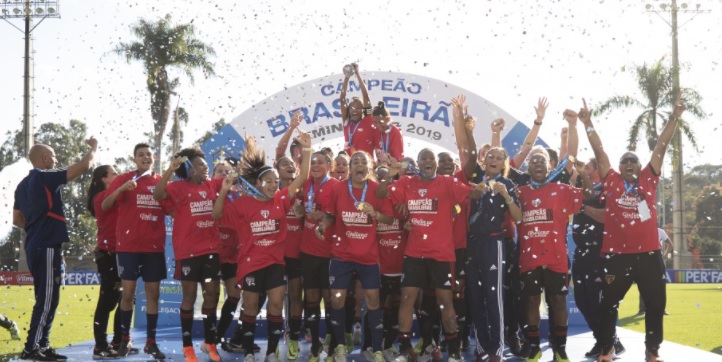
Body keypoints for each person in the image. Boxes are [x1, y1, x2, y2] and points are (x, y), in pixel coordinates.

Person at [579, 96, 686, 362]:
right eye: (624, 161)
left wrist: (674, 116)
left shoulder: (650, 178)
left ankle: (652, 350)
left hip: (649, 255)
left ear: (640, 167)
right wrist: (588, 123)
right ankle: (607, 348)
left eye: (633, 161)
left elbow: (661, 144)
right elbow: (600, 150)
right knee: (607, 305)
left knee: (655, 305)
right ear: (619, 167)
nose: (628, 164)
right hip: (617, 256)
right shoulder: (611, 180)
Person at [376, 148, 488, 362]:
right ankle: (404, 349)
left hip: (441, 254)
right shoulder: (406, 182)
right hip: (414, 253)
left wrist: (481, 187)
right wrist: (391, 174)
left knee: (445, 301)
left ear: (435, 163)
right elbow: (381, 194)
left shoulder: (448, 183)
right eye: (423, 158)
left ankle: (454, 351)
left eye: (431, 158)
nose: (427, 161)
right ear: (417, 164)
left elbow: (472, 193)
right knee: (407, 299)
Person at [213, 131, 312, 362]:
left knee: (276, 304)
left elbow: (302, 178)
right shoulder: (242, 204)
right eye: (268, 181)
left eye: (276, 182)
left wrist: (307, 150)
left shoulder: (281, 199)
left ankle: (270, 353)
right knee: (250, 306)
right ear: (257, 183)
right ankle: (248, 351)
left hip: (275, 263)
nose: (272, 185)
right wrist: (225, 189)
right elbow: (217, 214)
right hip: (250, 264)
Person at [14, 137, 97, 361]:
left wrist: (35, 226)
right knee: (47, 300)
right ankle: (31, 348)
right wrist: (93, 148)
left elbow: (17, 218)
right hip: (46, 246)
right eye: (53, 155)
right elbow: (83, 166)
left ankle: (43, 344)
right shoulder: (44, 176)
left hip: (36, 245)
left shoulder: (22, 185)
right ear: (45, 158)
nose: (56, 159)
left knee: (49, 298)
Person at [460, 105, 522, 362]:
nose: (494, 159)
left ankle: (497, 348)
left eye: (499, 157)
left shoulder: (508, 184)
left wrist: (507, 197)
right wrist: (468, 130)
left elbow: (519, 218)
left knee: (493, 297)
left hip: (494, 244)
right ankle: (482, 346)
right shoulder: (475, 178)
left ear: (505, 163)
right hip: (472, 244)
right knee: (474, 296)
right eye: (490, 156)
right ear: (484, 161)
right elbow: (469, 152)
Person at [319, 150, 395, 362]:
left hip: (368, 256)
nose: (359, 165)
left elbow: (389, 219)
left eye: (363, 162)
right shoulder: (337, 188)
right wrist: (322, 226)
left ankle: (377, 349)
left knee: (373, 301)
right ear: (350, 167)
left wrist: (375, 215)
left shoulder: (377, 190)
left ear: (368, 167)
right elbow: (329, 214)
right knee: (337, 300)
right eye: (355, 162)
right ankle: (340, 347)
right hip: (341, 255)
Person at [154, 148, 226, 362]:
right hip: (188, 251)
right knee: (189, 297)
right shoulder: (177, 187)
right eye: (202, 165)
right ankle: (187, 348)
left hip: (212, 250)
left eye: (207, 166)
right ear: (191, 168)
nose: (206, 169)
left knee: (212, 295)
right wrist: (170, 169)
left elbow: (234, 179)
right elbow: (158, 194)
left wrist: (232, 175)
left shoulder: (212, 185)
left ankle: (210, 343)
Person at [516, 150, 585, 362]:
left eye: (542, 162)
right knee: (531, 302)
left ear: (550, 167)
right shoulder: (519, 192)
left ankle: (560, 349)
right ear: (528, 168)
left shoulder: (562, 189)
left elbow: (586, 196)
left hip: (556, 257)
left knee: (558, 302)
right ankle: (534, 347)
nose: (537, 165)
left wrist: (583, 174)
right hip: (529, 257)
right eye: (533, 162)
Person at [101, 143, 166, 359]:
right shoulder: (125, 179)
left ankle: (151, 343)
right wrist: (120, 189)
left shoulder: (160, 183)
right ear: (134, 159)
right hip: (128, 248)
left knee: (153, 295)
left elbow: (175, 210)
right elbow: (105, 206)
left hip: (154, 249)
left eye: (149, 154)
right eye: (141, 155)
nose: (145, 157)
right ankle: (125, 340)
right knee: (127, 294)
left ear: (154, 158)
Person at [570, 158, 626, 358]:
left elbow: (608, 216)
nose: (582, 171)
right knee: (582, 301)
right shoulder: (581, 191)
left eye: (587, 168)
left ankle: (608, 343)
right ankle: (605, 340)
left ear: (595, 171)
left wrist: (583, 208)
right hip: (581, 252)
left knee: (597, 302)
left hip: (600, 253)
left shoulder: (606, 190)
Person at [299, 149, 341, 361]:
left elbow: (334, 215)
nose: (315, 166)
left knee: (330, 300)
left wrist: (324, 219)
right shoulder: (306, 183)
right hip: (308, 252)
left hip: (329, 252)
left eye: (320, 162)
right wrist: (300, 210)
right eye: (313, 162)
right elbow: (300, 207)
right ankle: (315, 346)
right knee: (312, 299)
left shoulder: (335, 185)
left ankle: (332, 346)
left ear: (329, 165)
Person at [86, 164, 123, 359]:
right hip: (108, 255)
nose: (118, 176)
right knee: (107, 301)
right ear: (103, 179)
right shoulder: (101, 197)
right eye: (114, 174)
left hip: (124, 254)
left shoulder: (119, 196)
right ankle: (100, 346)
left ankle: (119, 342)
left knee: (125, 299)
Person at [210, 160, 245, 350]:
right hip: (212, 252)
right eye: (219, 172)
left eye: (227, 172)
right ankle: (209, 339)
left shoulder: (237, 196)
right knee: (211, 297)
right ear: (213, 175)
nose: (224, 175)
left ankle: (219, 335)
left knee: (234, 294)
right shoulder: (207, 193)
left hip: (232, 254)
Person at [340, 63, 381, 157]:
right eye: (352, 108)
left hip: (367, 165)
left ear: (363, 110)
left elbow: (366, 96)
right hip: (350, 164)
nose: (355, 110)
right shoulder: (347, 122)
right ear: (349, 111)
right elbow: (342, 99)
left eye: (358, 108)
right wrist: (347, 76)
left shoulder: (368, 119)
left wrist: (358, 74)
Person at [637, 227, 673, 316]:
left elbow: (670, 244)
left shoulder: (659, 231)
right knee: (644, 285)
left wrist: (664, 255)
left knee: (659, 285)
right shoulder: (641, 230)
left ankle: (656, 309)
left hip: (655, 260)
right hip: (645, 260)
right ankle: (643, 309)